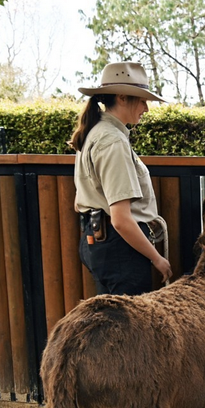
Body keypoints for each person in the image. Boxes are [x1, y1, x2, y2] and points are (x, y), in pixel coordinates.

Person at [71, 61, 173, 296]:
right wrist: (157, 259)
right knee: (133, 330)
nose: (146, 108)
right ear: (122, 97)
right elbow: (120, 220)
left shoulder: (93, 133)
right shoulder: (112, 141)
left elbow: (79, 203)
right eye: (142, 100)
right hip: (120, 251)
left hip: (98, 242)